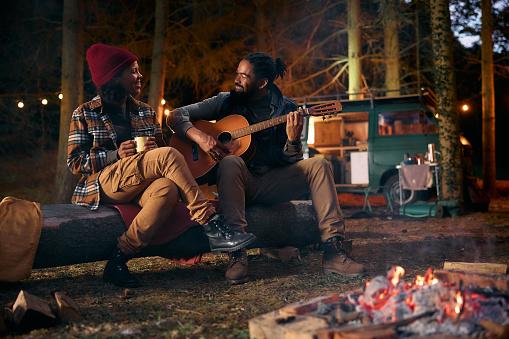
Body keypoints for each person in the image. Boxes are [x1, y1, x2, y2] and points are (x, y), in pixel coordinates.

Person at [167, 52, 367, 285]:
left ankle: (334, 250)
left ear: (262, 83)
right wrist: (201, 137)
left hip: (275, 182)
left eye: (243, 76)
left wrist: (293, 141)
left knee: (320, 164)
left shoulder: (288, 109)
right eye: (237, 74)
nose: (237, 80)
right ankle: (237, 253)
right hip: (240, 184)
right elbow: (175, 116)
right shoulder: (225, 101)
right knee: (231, 161)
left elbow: (292, 160)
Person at [67, 44, 256, 288]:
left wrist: (153, 153)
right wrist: (115, 155)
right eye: (133, 71)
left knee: (167, 188)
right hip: (105, 183)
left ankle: (118, 259)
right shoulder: (84, 113)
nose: (139, 76)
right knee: (168, 156)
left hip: (140, 180)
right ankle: (211, 224)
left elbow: (163, 157)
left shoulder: (145, 111)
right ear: (114, 77)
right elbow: (75, 162)